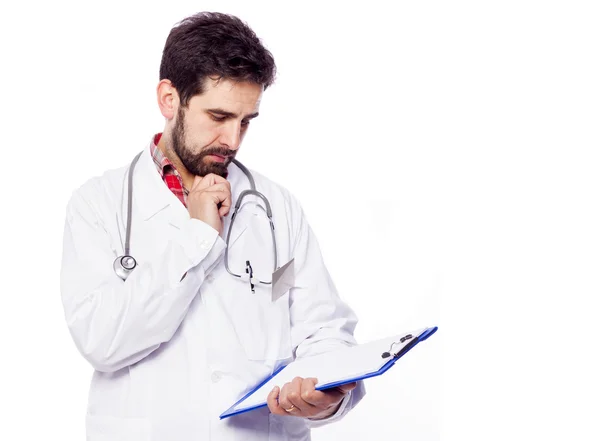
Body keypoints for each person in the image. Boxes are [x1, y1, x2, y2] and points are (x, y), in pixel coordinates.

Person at [60, 11, 365, 441]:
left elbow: (323, 330)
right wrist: (198, 236)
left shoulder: (277, 209)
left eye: (245, 121)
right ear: (170, 99)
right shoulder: (98, 205)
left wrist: (328, 393)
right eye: (218, 116)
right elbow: (102, 341)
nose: (233, 140)